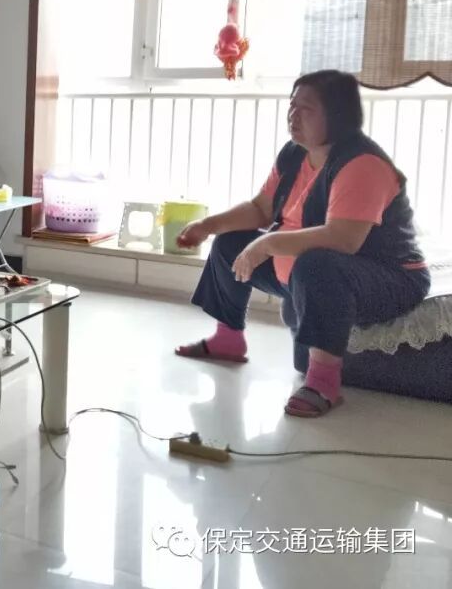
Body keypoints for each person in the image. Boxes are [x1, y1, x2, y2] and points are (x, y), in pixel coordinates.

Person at [175, 70, 430, 418]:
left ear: (337, 114)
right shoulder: (295, 154)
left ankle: (324, 383)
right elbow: (260, 209)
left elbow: (343, 239)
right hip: (304, 269)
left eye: (306, 109)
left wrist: (267, 244)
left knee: (317, 262)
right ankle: (228, 339)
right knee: (230, 243)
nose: (293, 116)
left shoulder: (363, 163)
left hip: (389, 277)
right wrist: (207, 226)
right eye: (292, 106)